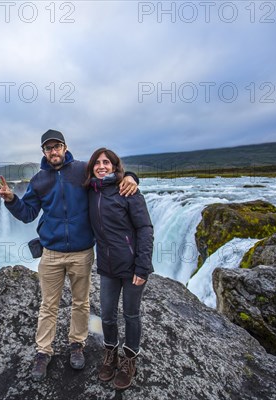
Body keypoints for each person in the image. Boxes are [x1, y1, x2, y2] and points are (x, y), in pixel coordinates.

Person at [0, 129, 139, 382]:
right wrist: (11, 199)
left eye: (57, 146)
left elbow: (108, 175)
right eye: (48, 148)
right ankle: (43, 352)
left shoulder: (82, 170)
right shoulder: (39, 180)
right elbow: (27, 213)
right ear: (44, 152)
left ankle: (77, 345)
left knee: (80, 303)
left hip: (82, 252)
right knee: (48, 305)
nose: (53, 151)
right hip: (51, 254)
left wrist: (132, 176)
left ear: (64, 147)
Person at [85, 147, 154, 390]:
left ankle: (130, 359)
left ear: (115, 167)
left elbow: (145, 229)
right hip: (107, 266)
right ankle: (111, 353)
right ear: (92, 167)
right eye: (97, 162)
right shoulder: (91, 191)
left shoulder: (128, 191)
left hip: (132, 266)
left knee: (131, 314)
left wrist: (142, 267)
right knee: (106, 314)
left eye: (107, 162)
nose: (101, 166)